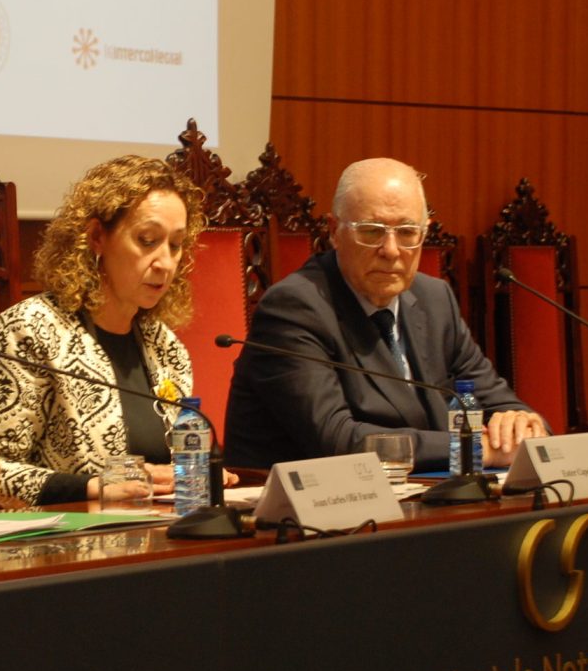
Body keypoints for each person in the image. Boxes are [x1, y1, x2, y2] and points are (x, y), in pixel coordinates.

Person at [224, 157, 546, 470]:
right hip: (304, 501)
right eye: (371, 231)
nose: (391, 250)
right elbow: (338, 440)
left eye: (407, 232)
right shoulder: (294, 308)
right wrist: (471, 449)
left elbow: (499, 401)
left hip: (417, 495)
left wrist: (520, 425)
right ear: (334, 231)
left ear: (424, 233)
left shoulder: (435, 300)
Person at [0, 156, 205, 505]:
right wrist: (94, 486)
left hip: (157, 526)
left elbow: (175, 466)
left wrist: (198, 473)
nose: (165, 262)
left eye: (176, 245)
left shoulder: (165, 346)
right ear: (96, 237)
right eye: (147, 240)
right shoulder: (28, 331)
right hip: (64, 533)